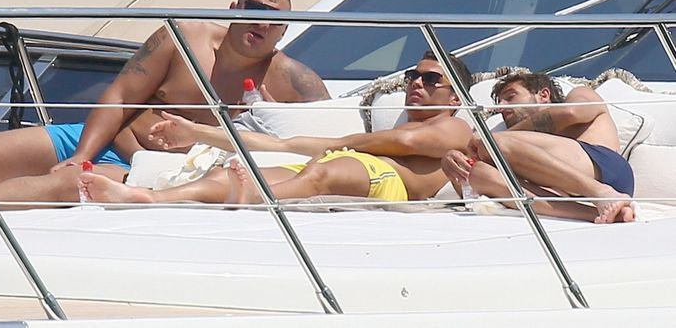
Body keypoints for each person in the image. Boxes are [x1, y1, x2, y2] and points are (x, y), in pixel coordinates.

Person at [0, 0, 330, 205]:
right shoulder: (181, 39)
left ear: (285, 29)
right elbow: (119, 96)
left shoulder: (296, 81)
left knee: (70, 183)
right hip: (100, 138)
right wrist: (82, 152)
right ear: (234, 10)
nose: (262, 22)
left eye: (275, 18)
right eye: (254, 10)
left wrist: (273, 118)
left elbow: (330, 146)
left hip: (153, 169)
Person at [78, 52, 474, 205]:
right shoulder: (364, 143)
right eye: (412, 76)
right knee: (227, 175)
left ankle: (250, 200)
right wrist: (198, 133)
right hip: (352, 164)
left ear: (455, 96)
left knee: (322, 171)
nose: (416, 84)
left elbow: (406, 141)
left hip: (389, 181)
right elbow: (280, 144)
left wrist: (342, 143)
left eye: (431, 80)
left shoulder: (456, 128)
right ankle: (148, 197)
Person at [441, 72, 635, 224]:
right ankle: (596, 214)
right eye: (499, 102)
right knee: (476, 173)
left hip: (604, 167)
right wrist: (456, 163)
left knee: (492, 145)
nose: (501, 107)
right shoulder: (510, 142)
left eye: (510, 97)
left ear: (543, 95)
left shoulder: (580, 93)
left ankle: (601, 192)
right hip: (559, 191)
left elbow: (571, 113)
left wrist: (490, 141)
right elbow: (470, 189)